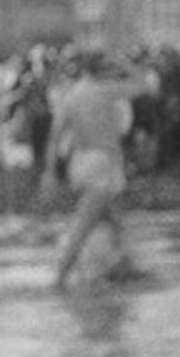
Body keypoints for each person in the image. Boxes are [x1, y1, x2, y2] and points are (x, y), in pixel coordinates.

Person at [40, 52, 138, 288]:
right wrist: (124, 60)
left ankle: (125, 267)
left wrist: (50, 172)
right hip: (102, 161)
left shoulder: (69, 95)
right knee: (84, 224)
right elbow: (141, 85)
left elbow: (54, 138)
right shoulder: (103, 90)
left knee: (114, 219)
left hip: (81, 160)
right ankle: (59, 279)